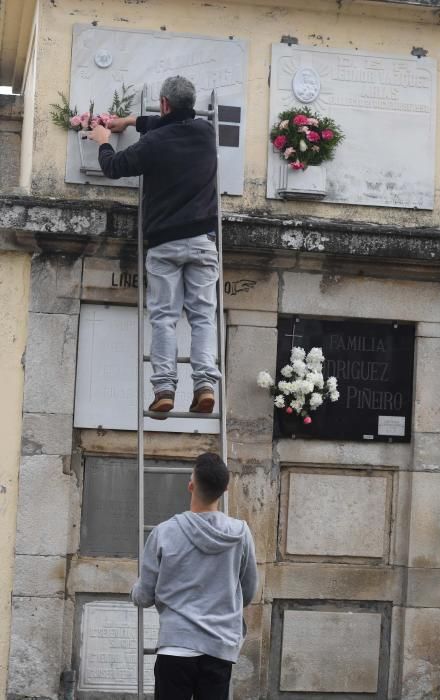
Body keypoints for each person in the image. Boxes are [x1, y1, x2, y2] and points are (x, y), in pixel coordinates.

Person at [88, 76, 220, 416]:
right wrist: (132, 121)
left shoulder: (154, 143)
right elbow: (169, 124)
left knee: (164, 317)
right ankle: (205, 384)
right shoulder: (206, 133)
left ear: (163, 104)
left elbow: (113, 167)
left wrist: (104, 139)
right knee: (204, 316)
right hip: (203, 241)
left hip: (165, 243)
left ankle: (164, 389)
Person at [131, 452, 258, 700]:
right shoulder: (240, 533)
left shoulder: (164, 532)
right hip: (219, 648)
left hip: (176, 647)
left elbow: (144, 595)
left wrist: (134, 592)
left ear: (191, 485)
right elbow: (249, 591)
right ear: (224, 490)